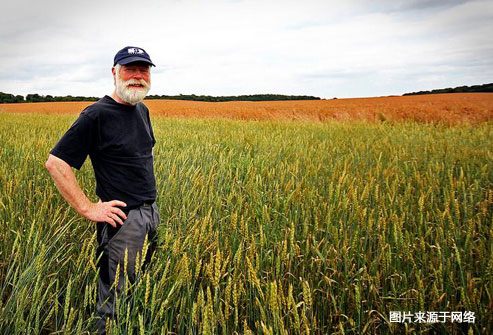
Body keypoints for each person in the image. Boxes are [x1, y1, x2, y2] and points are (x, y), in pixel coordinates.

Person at [45, 46, 160, 334]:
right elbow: (56, 162)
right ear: (114, 72)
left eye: (143, 69)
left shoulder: (141, 110)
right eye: (129, 69)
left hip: (150, 214)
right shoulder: (96, 114)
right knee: (114, 302)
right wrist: (88, 208)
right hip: (122, 222)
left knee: (138, 290)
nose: (137, 76)